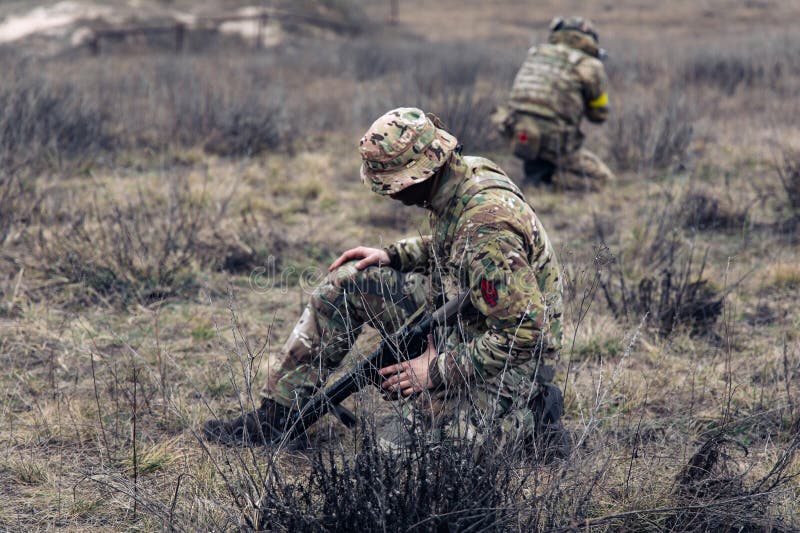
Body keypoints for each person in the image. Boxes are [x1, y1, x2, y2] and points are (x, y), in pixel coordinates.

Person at [204, 107, 566, 454]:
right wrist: (393, 255)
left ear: (422, 173)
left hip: (516, 355)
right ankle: (275, 416)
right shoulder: (459, 176)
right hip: (473, 316)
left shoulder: (487, 223)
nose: (389, 194)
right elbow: (459, 245)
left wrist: (435, 371)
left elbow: (525, 332)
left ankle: (533, 413)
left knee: (399, 453)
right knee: (345, 285)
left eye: (391, 184)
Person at [493, 16, 615, 190]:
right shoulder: (589, 64)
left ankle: (537, 176)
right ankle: (552, 180)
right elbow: (599, 114)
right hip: (554, 141)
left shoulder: (536, 53)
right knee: (603, 180)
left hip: (518, 133)